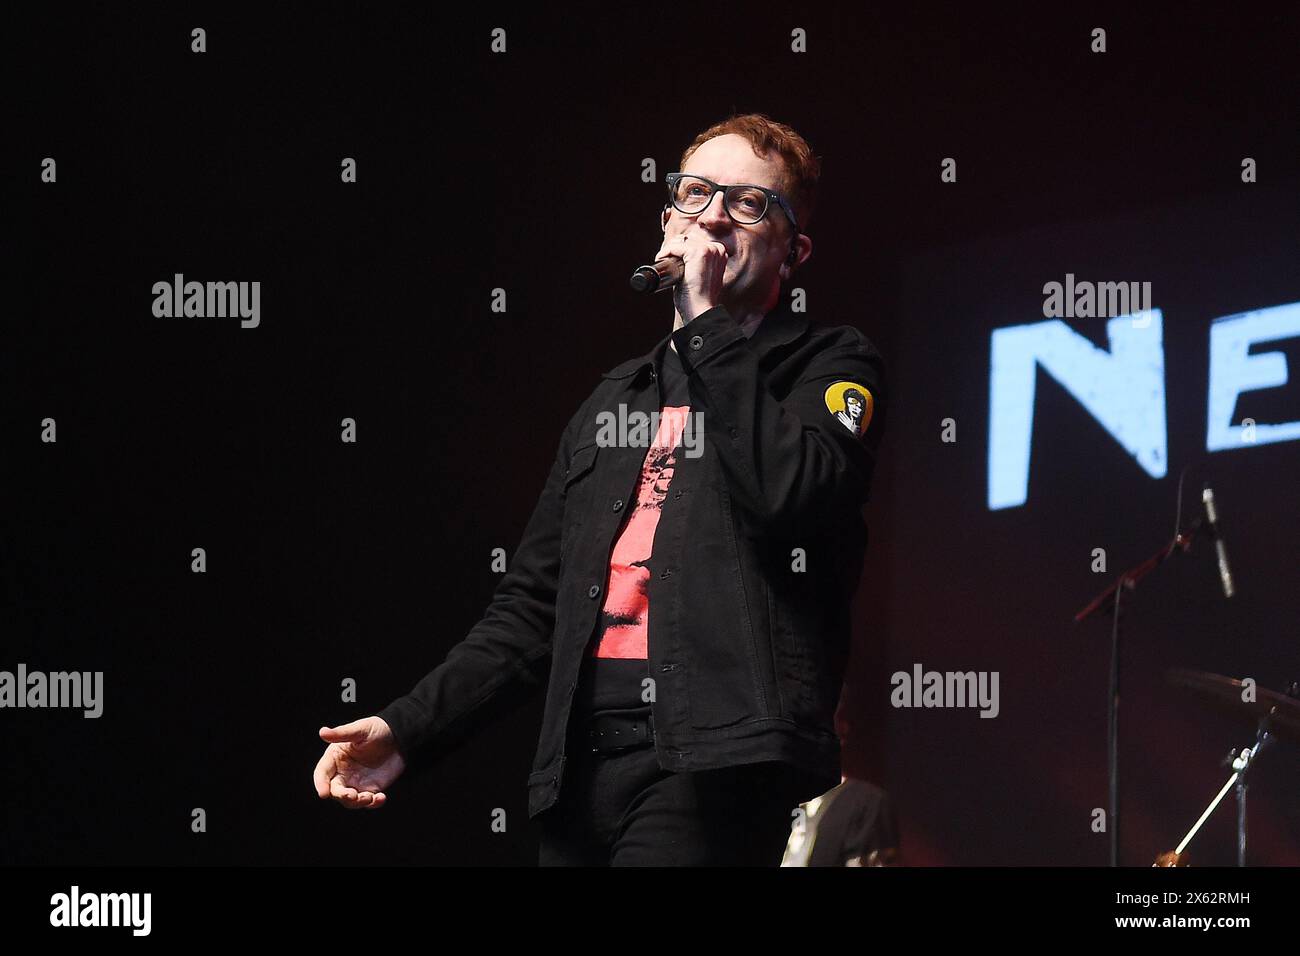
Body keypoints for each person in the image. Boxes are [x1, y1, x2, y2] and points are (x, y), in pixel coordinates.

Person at [313, 113, 888, 865]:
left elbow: (793, 494)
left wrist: (705, 321)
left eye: (749, 203)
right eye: (695, 193)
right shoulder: (614, 402)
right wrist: (408, 730)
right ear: (667, 220)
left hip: (717, 762)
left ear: (794, 251)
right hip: (579, 770)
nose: (714, 215)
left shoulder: (831, 364)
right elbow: (530, 610)